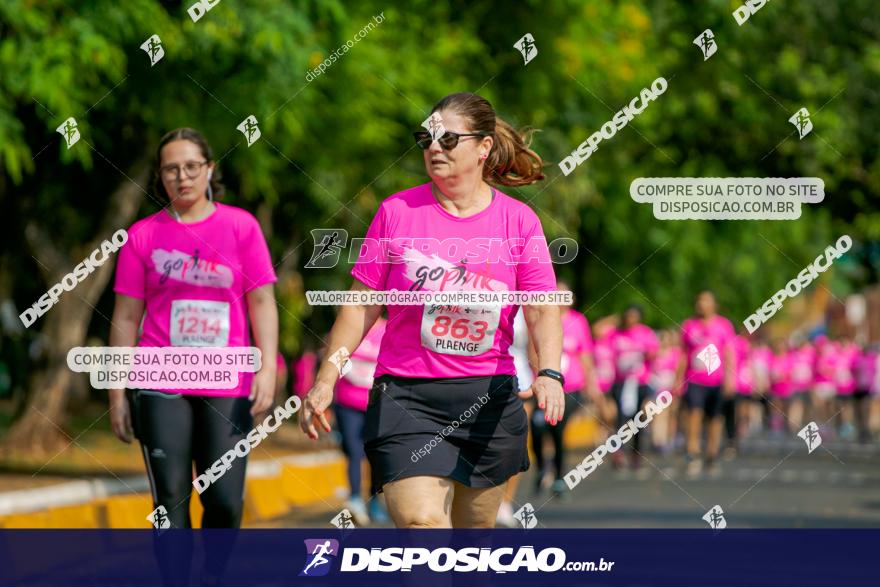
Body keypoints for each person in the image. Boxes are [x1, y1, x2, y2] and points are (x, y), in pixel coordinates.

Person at [299, 93, 563, 528]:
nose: (433, 147)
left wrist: (549, 372)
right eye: (426, 138)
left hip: (487, 400)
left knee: (472, 544)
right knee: (423, 525)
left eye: (447, 138)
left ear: (482, 147)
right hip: (406, 397)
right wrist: (327, 375)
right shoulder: (396, 213)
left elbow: (540, 309)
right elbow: (361, 303)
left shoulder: (519, 222)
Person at [108, 128, 278, 584]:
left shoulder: (241, 227)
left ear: (209, 169)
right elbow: (126, 316)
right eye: (170, 169)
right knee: (171, 500)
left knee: (224, 499)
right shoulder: (143, 236)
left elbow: (261, 301)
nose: (181, 177)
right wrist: (116, 391)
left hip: (227, 381)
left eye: (190, 166)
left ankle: (214, 574)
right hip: (160, 377)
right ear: (160, 176)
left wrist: (266, 367)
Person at [530, 280, 598, 497]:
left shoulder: (578, 321)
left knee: (558, 430)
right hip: (543, 386)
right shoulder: (542, 319)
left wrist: (591, 384)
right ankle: (542, 468)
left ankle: (559, 478)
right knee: (537, 426)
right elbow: (532, 349)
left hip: (571, 386)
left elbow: (585, 355)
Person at [332, 317, 390, 525]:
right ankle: (355, 498)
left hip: (377, 403)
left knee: (375, 453)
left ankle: (374, 500)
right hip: (347, 403)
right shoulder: (348, 323)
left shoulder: (387, 328)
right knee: (354, 451)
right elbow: (334, 358)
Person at [675, 290, 735, 478]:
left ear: (713, 305)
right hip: (695, 379)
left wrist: (730, 378)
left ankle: (711, 454)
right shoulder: (689, 325)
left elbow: (728, 352)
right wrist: (678, 379)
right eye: (699, 301)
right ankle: (692, 453)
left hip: (716, 380)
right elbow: (683, 353)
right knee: (694, 413)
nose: (702, 304)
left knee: (715, 419)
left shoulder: (723, 325)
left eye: (706, 301)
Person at [608, 304, 658, 470]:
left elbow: (654, 353)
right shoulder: (616, 334)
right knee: (620, 418)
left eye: (633, 317)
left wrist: (644, 354)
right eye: (627, 316)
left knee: (638, 419)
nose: (630, 320)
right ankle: (619, 452)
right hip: (621, 383)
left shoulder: (645, 333)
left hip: (639, 383)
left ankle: (636, 454)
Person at [650, 329, 682, 454]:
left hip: (671, 389)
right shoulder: (654, 354)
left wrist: (677, 385)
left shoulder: (676, 353)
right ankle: (658, 440)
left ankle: (670, 438)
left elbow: (679, 370)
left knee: (671, 415)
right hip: (656, 389)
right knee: (658, 415)